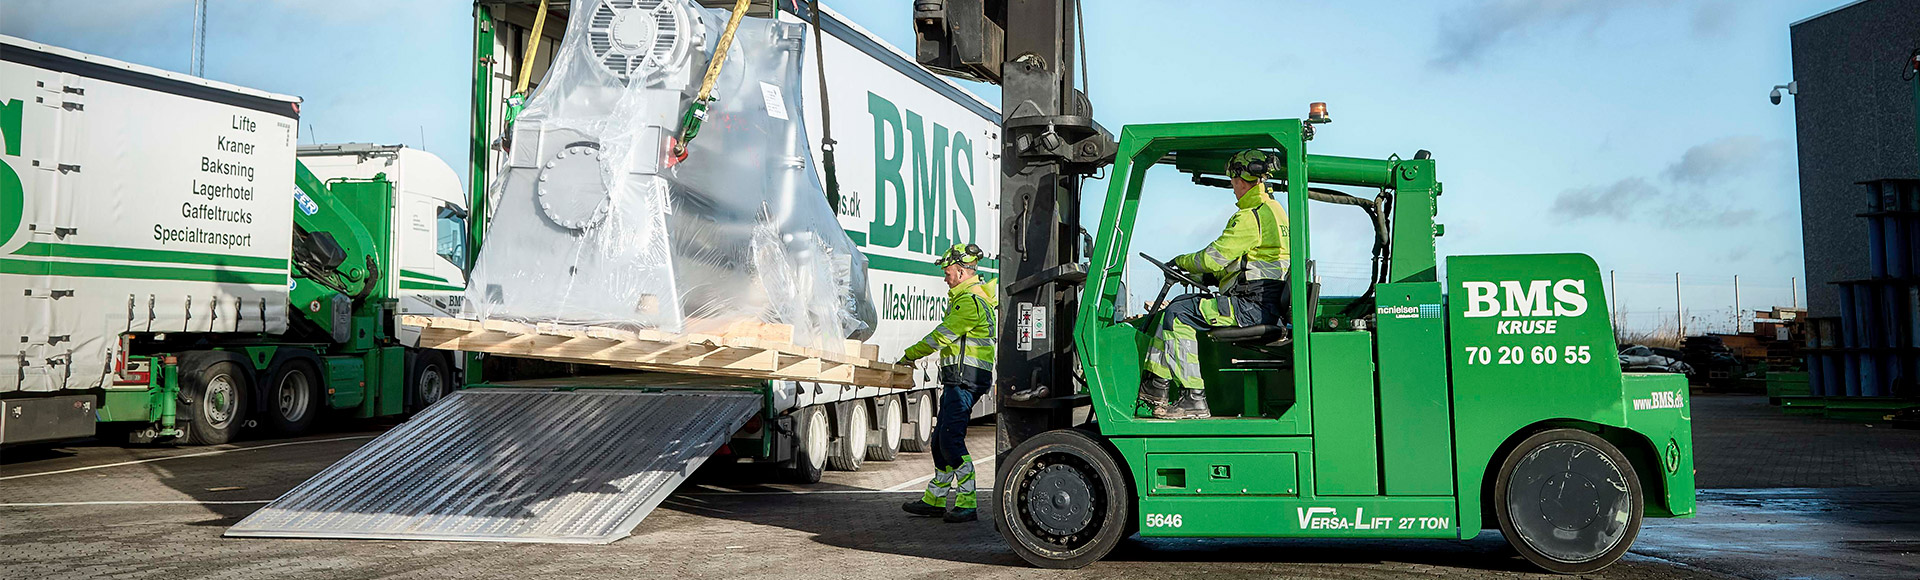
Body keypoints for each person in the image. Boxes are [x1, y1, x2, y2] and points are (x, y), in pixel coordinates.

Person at [1140, 149, 1291, 419]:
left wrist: (1181, 261)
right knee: (1180, 307)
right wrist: (1203, 278)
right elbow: (1243, 265)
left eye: (1233, 182)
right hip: (1263, 302)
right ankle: (1156, 386)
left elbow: (1212, 259)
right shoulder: (1275, 211)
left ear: (1242, 180)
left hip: (1251, 306)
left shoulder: (1250, 216)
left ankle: (1192, 399)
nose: (1233, 189)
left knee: (1178, 313)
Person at [897, 243, 997, 523]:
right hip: (960, 379)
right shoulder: (974, 296)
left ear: (963, 272)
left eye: (948, 271)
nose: (945, 277)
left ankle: (967, 502)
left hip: (966, 379)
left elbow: (941, 336)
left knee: (951, 442)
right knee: (940, 440)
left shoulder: (969, 302)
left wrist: (909, 355)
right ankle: (935, 499)